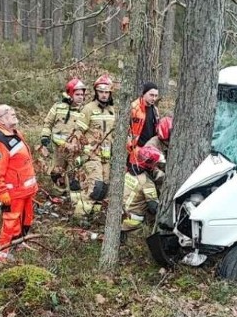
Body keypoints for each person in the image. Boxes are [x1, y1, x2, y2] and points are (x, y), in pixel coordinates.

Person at [0, 103, 38, 261]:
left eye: (14, 112)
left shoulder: (14, 133)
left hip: (25, 190)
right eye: (10, 113)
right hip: (12, 192)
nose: (14, 114)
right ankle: (2, 254)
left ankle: (18, 244)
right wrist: (2, 192)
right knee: (10, 222)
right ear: (1, 119)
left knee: (26, 219)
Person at [70, 73, 116, 222]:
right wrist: (77, 154)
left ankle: (93, 218)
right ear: (96, 92)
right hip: (91, 156)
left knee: (103, 189)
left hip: (107, 157)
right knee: (95, 187)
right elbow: (78, 132)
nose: (103, 95)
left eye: (106, 92)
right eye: (101, 92)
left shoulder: (112, 111)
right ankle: (79, 218)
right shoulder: (88, 109)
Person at [39, 78, 86, 196]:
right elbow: (48, 122)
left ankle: (74, 199)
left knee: (74, 175)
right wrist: (45, 136)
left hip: (74, 149)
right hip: (58, 148)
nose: (81, 97)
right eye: (77, 94)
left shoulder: (84, 111)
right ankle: (59, 196)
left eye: (82, 94)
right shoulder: (58, 107)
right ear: (70, 93)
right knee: (57, 173)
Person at [122, 145, 163, 231]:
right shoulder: (146, 183)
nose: (156, 166)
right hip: (130, 220)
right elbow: (153, 208)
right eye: (155, 164)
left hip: (118, 214)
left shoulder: (127, 173)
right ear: (149, 164)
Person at [127, 82, 160, 165]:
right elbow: (125, 129)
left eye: (156, 96)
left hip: (149, 149)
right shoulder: (134, 108)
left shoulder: (155, 110)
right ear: (144, 93)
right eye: (151, 95)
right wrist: (131, 147)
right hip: (135, 148)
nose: (154, 98)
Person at [143, 114, 173, 190]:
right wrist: (167, 178)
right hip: (154, 182)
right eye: (165, 141)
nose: (168, 143)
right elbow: (150, 169)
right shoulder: (152, 145)